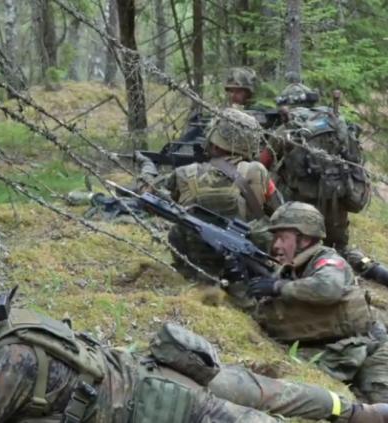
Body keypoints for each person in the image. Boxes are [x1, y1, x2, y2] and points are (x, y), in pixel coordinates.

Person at [0, 267, 388, 422]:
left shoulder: (4, 367)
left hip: (166, 410)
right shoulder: (8, 321)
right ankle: (358, 412)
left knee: (258, 412)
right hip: (145, 371)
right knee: (266, 392)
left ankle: (356, 412)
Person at [246, 202, 388, 404]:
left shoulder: (327, 260)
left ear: (304, 239)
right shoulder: (289, 269)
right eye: (275, 238)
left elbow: (328, 288)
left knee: (381, 403)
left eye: (283, 238)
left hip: (370, 349)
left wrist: (278, 287)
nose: (276, 245)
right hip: (333, 353)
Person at [259, 77, 388, 286]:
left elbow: (262, 164)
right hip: (336, 204)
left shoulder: (289, 128)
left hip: (299, 213)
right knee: (341, 250)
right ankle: (376, 270)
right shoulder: (336, 123)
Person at [163, 108, 280, 282]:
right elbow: (278, 211)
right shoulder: (256, 171)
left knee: (178, 228)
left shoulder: (184, 173)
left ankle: (189, 274)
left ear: (215, 143)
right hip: (247, 265)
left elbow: (164, 199)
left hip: (198, 264)